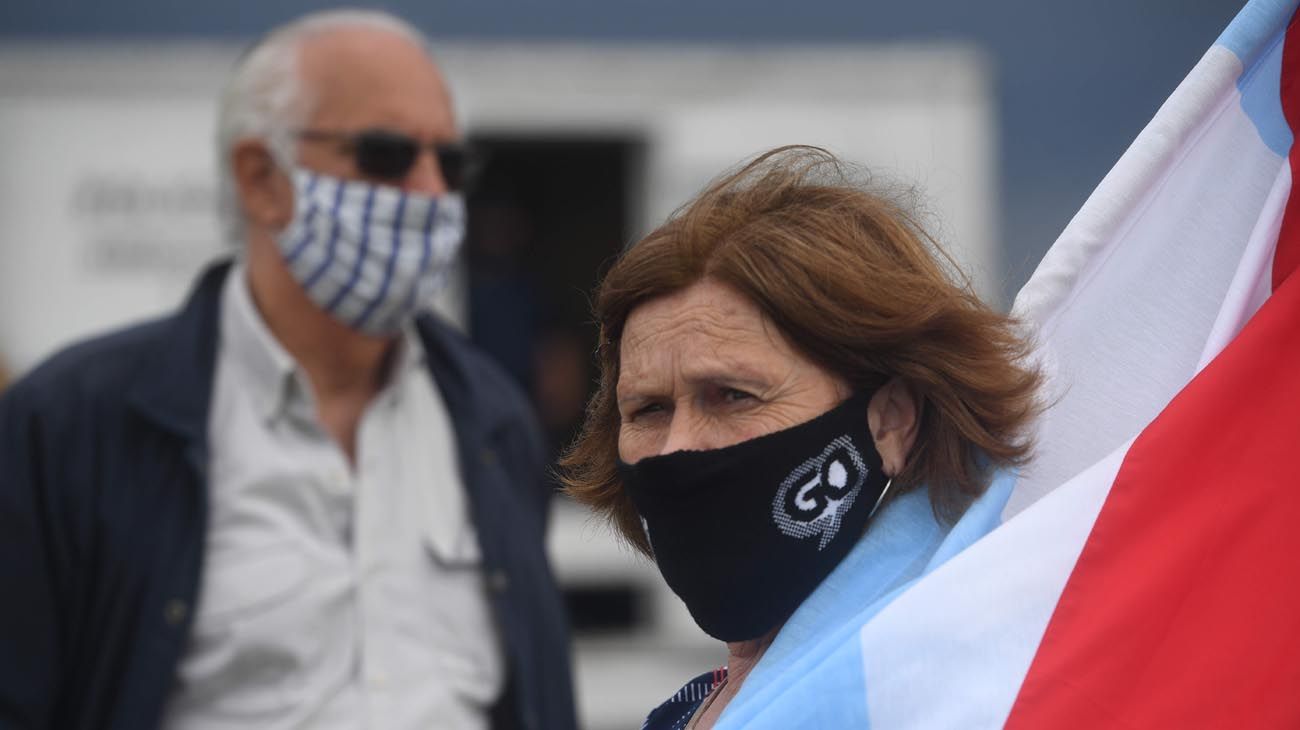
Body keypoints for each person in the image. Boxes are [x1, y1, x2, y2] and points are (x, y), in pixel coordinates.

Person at [0, 10, 575, 730]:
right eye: (388, 154)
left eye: (451, 163)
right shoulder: (71, 423)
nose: (433, 193)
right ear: (261, 178)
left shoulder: (493, 419)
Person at [561, 146, 1040, 729]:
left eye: (733, 396)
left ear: (891, 421)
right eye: (649, 409)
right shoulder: (686, 712)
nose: (677, 446)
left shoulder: (965, 696)